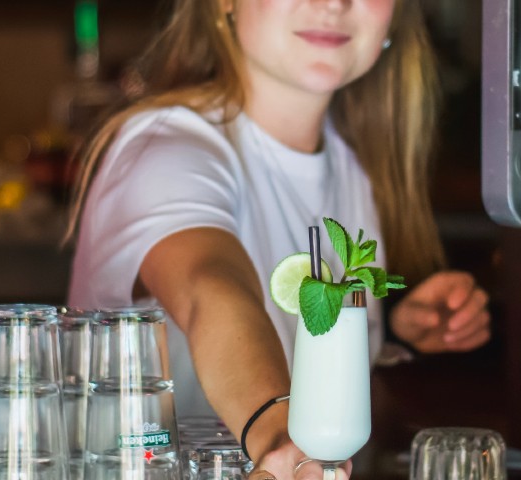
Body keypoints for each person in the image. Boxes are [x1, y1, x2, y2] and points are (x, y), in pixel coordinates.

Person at [66, 1, 490, 478]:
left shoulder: (352, 167)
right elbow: (211, 288)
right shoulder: (164, 146)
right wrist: (283, 437)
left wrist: (386, 327)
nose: (334, 3)